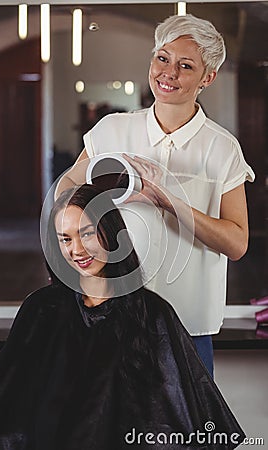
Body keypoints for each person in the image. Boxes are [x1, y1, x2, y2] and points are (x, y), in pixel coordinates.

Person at [0, 184, 245, 449]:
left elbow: (176, 419)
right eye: (66, 239)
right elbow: (7, 409)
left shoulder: (153, 314)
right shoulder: (41, 310)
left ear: (111, 233)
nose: (77, 250)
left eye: (87, 234)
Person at [56, 14, 255, 376]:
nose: (169, 73)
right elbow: (65, 197)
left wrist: (166, 201)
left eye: (185, 65)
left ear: (207, 77)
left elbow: (237, 242)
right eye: (162, 58)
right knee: (108, 430)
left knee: (187, 432)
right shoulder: (111, 131)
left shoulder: (222, 148)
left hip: (188, 323)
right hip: (111, 313)